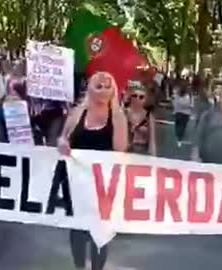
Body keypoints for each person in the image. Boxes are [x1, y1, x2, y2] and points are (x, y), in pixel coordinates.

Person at [57, 71, 128, 270]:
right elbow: (63, 138)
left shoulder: (118, 116)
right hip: (77, 183)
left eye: (108, 86)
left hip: (103, 186)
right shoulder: (78, 113)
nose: (104, 90)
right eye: (99, 86)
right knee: (78, 232)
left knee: (100, 233)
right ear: (90, 88)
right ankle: (79, 266)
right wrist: (63, 143)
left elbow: (120, 150)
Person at [125, 80, 156, 155]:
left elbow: (152, 139)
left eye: (141, 97)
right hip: (126, 149)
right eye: (134, 96)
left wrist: (153, 156)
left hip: (142, 149)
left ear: (145, 99)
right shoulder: (123, 113)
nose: (137, 99)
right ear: (130, 97)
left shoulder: (148, 116)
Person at [173, 79, 192, 146]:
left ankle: (178, 137)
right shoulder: (188, 95)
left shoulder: (177, 94)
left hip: (178, 112)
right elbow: (190, 104)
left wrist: (174, 110)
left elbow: (175, 103)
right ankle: (180, 137)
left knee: (177, 125)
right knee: (183, 126)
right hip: (186, 113)